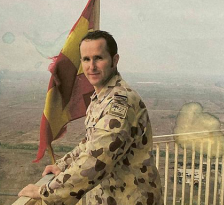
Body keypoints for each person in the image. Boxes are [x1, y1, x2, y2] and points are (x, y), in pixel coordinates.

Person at [19, 30, 163, 205]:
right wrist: (63, 165)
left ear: (114, 61)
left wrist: (47, 192)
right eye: (86, 59)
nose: (91, 66)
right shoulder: (102, 97)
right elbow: (90, 144)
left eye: (98, 58)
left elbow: (96, 161)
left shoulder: (119, 102)